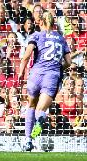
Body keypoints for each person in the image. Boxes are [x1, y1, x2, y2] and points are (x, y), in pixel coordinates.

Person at [18, 11, 72, 151]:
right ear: (54, 24)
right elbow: (69, 62)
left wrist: (20, 72)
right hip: (52, 76)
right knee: (41, 109)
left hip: (35, 75)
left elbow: (26, 56)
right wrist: (59, 68)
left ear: (40, 22)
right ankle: (41, 118)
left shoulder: (36, 35)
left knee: (31, 105)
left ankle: (28, 140)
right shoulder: (61, 38)